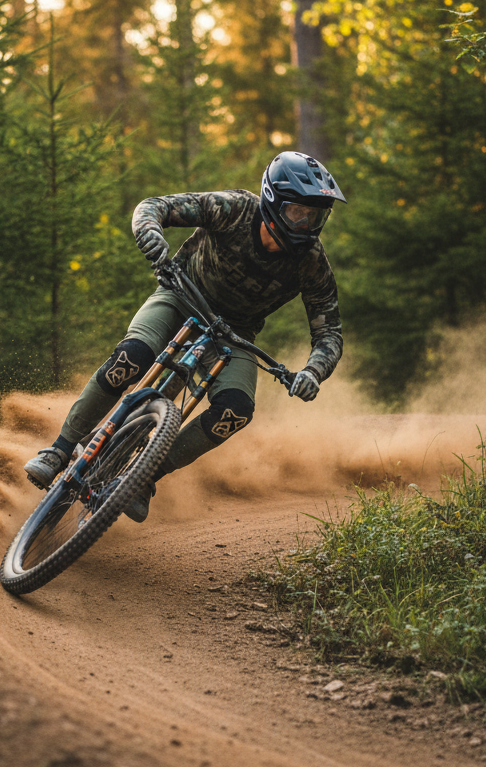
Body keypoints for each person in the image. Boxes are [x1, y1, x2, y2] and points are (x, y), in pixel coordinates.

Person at [24, 150, 346, 521]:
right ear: (273, 200)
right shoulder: (234, 209)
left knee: (236, 411)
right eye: (298, 212)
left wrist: (312, 371)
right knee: (131, 359)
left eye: (315, 216)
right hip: (180, 295)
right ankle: (59, 450)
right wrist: (149, 234)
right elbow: (154, 206)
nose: (306, 224)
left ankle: (144, 477)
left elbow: (330, 333)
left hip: (234, 333)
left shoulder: (311, 262)